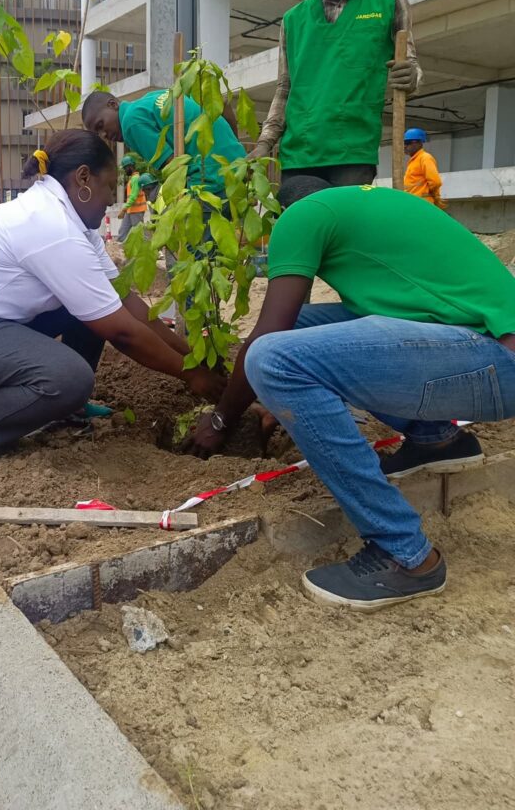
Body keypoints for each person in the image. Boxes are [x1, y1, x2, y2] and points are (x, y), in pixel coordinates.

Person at [187, 177, 515, 611]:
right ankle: (436, 439)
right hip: (484, 350)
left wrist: (220, 420)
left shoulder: (301, 216)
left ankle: (405, 554)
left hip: (493, 362)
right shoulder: (373, 206)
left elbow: (267, 334)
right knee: (299, 330)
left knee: (272, 359)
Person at [0, 130, 224, 474]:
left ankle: (66, 407)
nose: (110, 200)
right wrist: (192, 377)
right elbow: (122, 332)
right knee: (68, 379)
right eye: (108, 187)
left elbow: (125, 303)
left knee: (91, 306)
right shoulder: (49, 225)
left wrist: (192, 357)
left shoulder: (75, 224)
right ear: (83, 178)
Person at [251, 0, 421, 187]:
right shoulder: (294, 19)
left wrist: (411, 76)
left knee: (346, 216)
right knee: (303, 213)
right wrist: (264, 143)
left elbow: (411, 66)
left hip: (352, 154)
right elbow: (284, 88)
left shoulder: (388, 2)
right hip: (299, 154)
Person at [82, 89, 245, 197]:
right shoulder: (150, 99)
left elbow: (174, 168)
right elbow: (223, 105)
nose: (103, 135)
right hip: (238, 165)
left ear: (113, 105)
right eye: (97, 133)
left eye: (100, 125)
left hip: (211, 180)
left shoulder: (130, 123)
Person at [404, 127, 446, 207]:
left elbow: (436, 182)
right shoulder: (413, 161)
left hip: (422, 202)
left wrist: (431, 196)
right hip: (413, 202)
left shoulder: (425, 158)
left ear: (419, 143)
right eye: (404, 143)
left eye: (408, 142)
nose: (405, 146)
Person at [117, 154, 147, 243]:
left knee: (139, 234)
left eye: (125, 168)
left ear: (130, 167)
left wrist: (123, 209)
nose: (125, 170)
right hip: (131, 210)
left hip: (137, 211)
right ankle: (121, 248)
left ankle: (147, 249)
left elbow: (133, 196)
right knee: (122, 232)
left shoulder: (136, 179)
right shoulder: (133, 179)